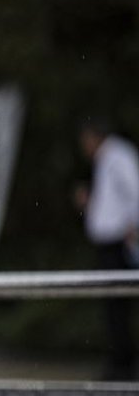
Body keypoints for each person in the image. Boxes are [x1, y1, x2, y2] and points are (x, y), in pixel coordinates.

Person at [76, 116, 139, 380]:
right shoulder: (104, 160)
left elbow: (134, 191)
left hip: (120, 240)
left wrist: (132, 225)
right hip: (108, 240)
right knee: (113, 304)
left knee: (119, 302)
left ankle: (123, 363)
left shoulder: (117, 156)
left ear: (94, 137)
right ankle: (119, 359)